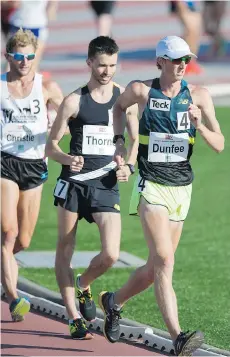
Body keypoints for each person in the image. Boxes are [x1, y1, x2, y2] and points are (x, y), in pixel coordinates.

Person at [99, 35, 225, 356]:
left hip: (182, 188)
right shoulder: (141, 90)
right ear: (161, 62)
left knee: (155, 265)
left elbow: (219, 144)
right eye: (176, 59)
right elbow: (117, 107)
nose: (183, 65)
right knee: (166, 261)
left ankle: (114, 302)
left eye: (186, 59)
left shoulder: (200, 96)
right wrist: (118, 143)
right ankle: (178, 336)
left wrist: (201, 124)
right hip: (151, 185)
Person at [45, 36, 138, 340]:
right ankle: (73, 316)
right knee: (65, 248)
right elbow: (51, 146)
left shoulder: (123, 99)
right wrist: (66, 157)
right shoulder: (74, 100)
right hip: (73, 185)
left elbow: (134, 142)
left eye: (112, 65)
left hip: (106, 184)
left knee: (111, 253)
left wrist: (128, 166)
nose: (107, 71)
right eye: (101, 65)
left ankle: (84, 283)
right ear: (89, 63)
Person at [1, 28, 63, 322]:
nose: (24, 62)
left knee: (22, 241)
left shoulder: (47, 87)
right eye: (18, 56)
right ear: (8, 56)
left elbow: (70, 116)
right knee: (9, 231)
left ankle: (5, 265)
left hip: (35, 165)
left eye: (29, 56)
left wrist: (58, 129)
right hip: (5, 162)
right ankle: (13, 298)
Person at [8, 0, 58, 72]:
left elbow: (52, 6)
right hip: (18, 24)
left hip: (37, 25)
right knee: (13, 63)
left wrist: (52, 7)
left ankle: (33, 81)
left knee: (33, 63)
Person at [170, 1, 202, 74]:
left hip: (193, 4)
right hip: (183, 3)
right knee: (190, 31)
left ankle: (190, 61)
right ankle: (184, 61)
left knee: (195, 32)